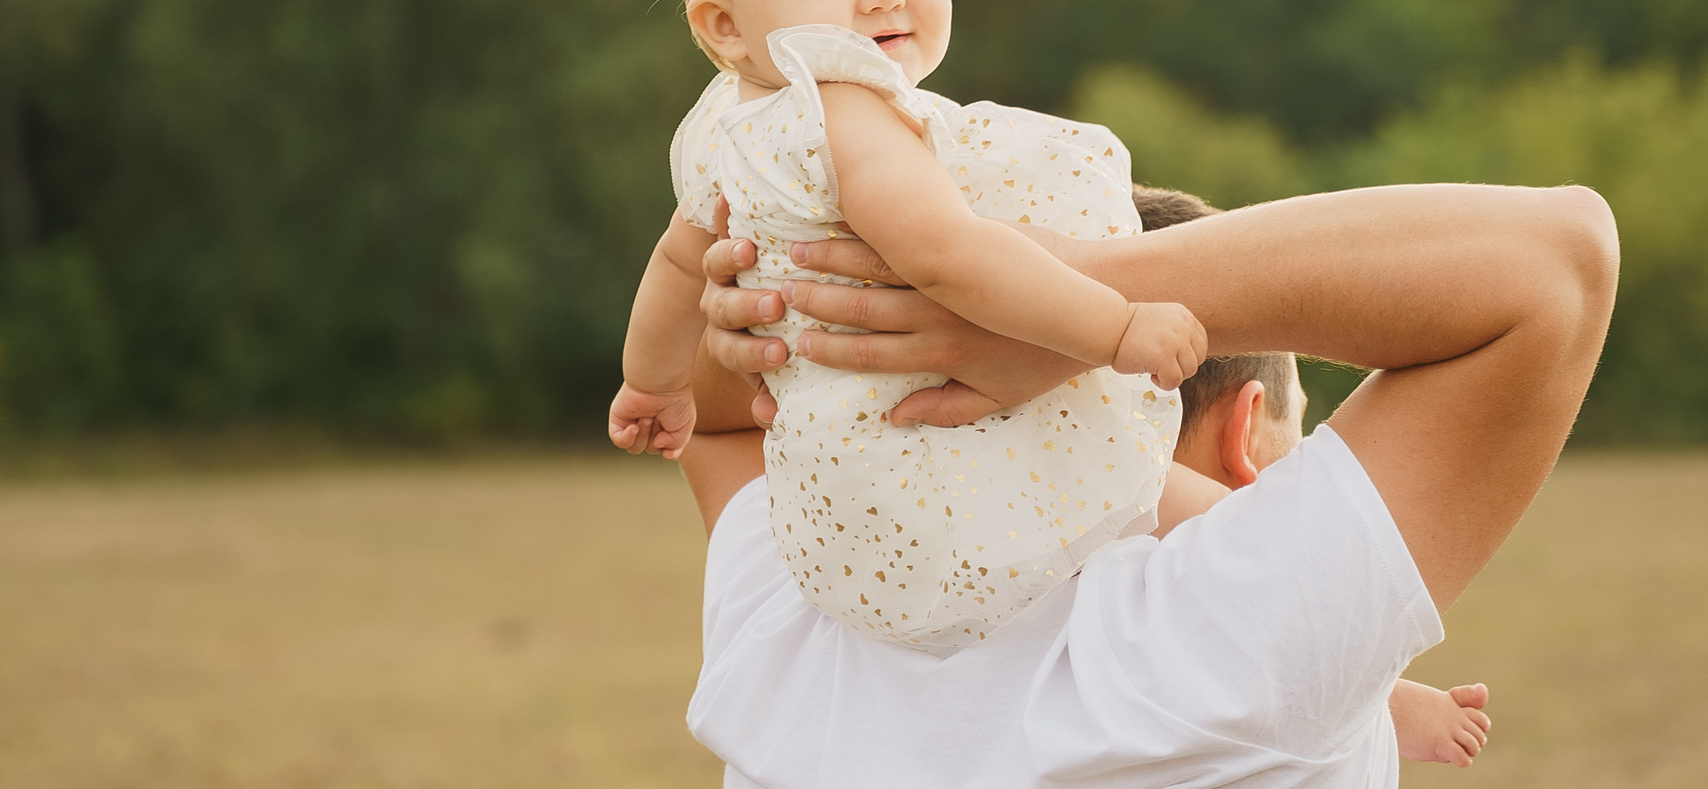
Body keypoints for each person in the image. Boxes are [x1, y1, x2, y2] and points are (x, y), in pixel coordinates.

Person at [674, 152, 1616, 785]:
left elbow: (711, 418)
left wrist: (893, 316)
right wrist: (1087, 305)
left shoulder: (798, 609)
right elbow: (1558, 262)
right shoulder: (1227, 646)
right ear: (1246, 433)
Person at [610, 0, 1206, 653]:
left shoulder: (717, 127)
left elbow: (674, 261)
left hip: (837, 501)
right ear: (725, 24)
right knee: (1184, 522)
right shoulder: (844, 109)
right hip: (938, 463)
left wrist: (652, 383)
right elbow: (946, 255)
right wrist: (1114, 327)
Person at [1135, 184, 1492, 773]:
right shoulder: (1245, 626)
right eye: (1298, 426)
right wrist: (1382, 695)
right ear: (1246, 430)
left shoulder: (995, 556)